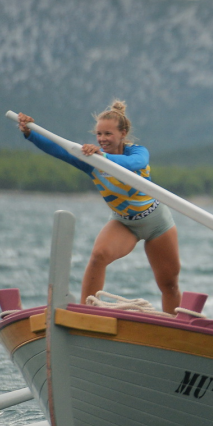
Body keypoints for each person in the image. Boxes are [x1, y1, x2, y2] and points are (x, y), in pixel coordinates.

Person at [17, 101, 181, 313]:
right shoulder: (90, 161)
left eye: (108, 134)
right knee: (98, 256)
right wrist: (30, 133)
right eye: (99, 134)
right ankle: (86, 314)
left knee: (169, 284)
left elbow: (134, 165)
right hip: (124, 224)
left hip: (157, 224)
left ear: (123, 133)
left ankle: (174, 326)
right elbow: (58, 150)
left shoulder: (137, 152)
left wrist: (103, 157)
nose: (102, 139)